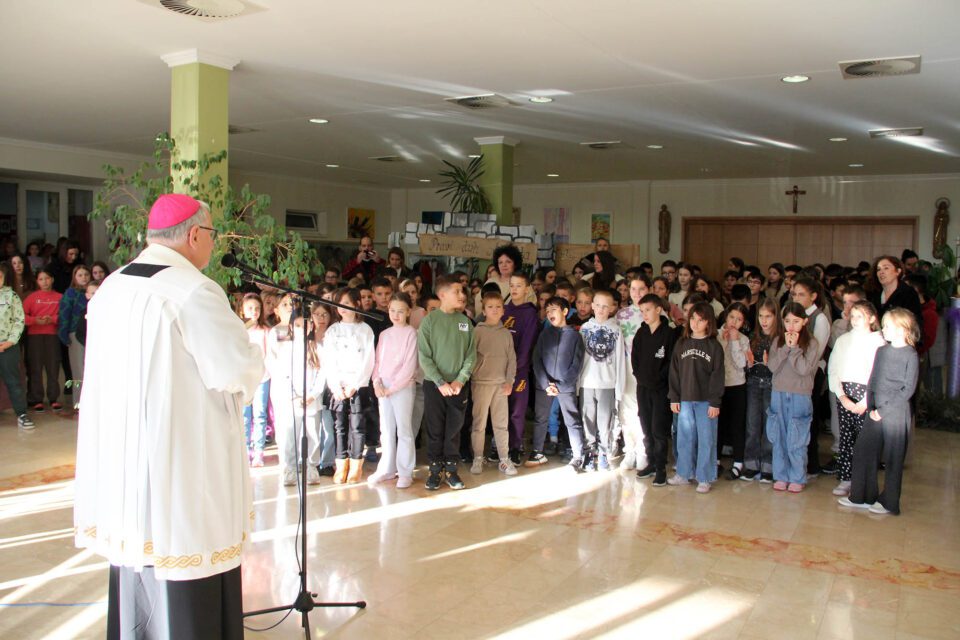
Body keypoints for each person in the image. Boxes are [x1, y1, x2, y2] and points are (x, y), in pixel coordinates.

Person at [73, 193, 264, 639]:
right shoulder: (194, 291)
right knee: (185, 557)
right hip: (178, 462)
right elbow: (236, 369)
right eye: (212, 234)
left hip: (122, 461)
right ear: (194, 235)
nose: (213, 243)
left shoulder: (112, 287)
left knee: (139, 556)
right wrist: (255, 359)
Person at [840, 308, 919, 515]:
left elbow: (907, 390)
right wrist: (871, 406)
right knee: (863, 450)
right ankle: (861, 496)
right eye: (883, 326)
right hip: (875, 411)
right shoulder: (882, 351)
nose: (883, 330)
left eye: (887, 326)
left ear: (902, 329)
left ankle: (889, 502)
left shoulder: (911, 355)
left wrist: (883, 410)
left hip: (895, 413)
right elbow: (873, 380)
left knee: (893, 458)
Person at [418, 275, 476, 491]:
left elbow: (471, 355)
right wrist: (440, 382)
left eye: (462, 291)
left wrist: (460, 380)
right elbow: (424, 356)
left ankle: (451, 469)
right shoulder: (429, 321)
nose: (462, 295)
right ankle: (435, 470)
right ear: (442, 295)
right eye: (456, 291)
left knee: (454, 429)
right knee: (435, 429)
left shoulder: (465, 322)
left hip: (458, 386)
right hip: (435, 386)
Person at [827, 300, 885, 497]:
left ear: (872, 318)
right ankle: (846, 478)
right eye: (853, 316)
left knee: (865, 440)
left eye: (860, 316)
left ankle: (863, 482)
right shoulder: (844, 340)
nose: (855, 320)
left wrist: (866, 401)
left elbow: (878, 374)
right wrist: (841, 395)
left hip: (866, 395)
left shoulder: (878, 342)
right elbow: (834, 369)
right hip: (845, 392)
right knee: (846, 437)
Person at [667, 302, 725, 493]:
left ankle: (704, 477)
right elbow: (674, 373)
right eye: (692, 318)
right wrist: (674, 397)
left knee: (706, 439)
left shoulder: (714, 346)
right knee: (684, 438)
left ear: (709, 322)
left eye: (701, 320)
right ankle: (684, 473)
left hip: (706, 401)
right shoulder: (681, 343)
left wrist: (715, 402)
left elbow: (718, 376)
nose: (695, 323)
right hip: (684, 399)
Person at [322, 288, 376, 484]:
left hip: (358, 385)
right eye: (339, 304)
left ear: (356, 304)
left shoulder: (365, 329)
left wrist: (355, 384)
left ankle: (355, 465)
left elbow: (368, 360)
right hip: (338, 386)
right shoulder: (332, 330)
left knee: (357, 426)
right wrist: (335, 386)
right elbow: (328, 360)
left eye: (346, 303)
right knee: (339, 426)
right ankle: (341, 464)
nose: (342, 308)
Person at [766, 302, 820, 493]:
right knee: (778, 435)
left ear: (804, 321)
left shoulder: (812, 343)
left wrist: (795, 348)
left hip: (800, 394)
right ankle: (781, 475)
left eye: (796, 321)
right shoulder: (777, 341)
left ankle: (797, 476)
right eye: (787, 321)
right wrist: (785, 349)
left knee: (797, 436)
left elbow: (804, 369)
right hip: (778, 392)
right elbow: (772, 367)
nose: (791, 326)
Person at [532, 296, 587, 470]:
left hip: (565, 386)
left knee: (572, 420)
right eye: (547, 310)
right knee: (541, 418)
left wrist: (561, 386)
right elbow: (536, 360)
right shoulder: (544, 334)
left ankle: (577, 456)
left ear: (565, 311)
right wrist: (545, 383)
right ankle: (537, 451)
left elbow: (576, 364)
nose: (549, 313)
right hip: (544, 386)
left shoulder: (575, 336)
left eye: (554, 309)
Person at [469, 290, 517, 476]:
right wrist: (475, 372)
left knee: (501, 424)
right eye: (490, 307)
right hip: (481, 383)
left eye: (498, 307)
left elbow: (512, 360)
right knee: (479, 423)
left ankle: (504, 459)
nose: (495, 310)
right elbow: (470, 357)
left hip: (501, 386)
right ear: (484, 310)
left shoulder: (506, 333)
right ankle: (478, 457)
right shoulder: (477, 331)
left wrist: (509, 381)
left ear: (503, 310)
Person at [632, 293, 677, 486]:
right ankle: (650, 462)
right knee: (646, 427)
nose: (645, 314)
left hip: (660, 389)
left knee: (659, 429)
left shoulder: (669, 334)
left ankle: (661, 468)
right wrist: (640, 377)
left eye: (648, 310)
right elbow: (635, 358)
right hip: (643, 387)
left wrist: (659, 379)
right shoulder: (641, 333)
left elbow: (671, 362)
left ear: (658, 310)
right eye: (642, 311)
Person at [578, 289, 626, 471]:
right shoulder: (585, 329)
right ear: (592, 306)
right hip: (587, 382)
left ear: (612, 308)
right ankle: (590, 453)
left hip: (607, 383)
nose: (600, 309)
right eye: (597, 305)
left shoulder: (616, 330)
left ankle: (604, 452)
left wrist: (619, 387)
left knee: (605, 421)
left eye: (605, 306)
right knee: (587, 419)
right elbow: (579, 358)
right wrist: (577, 384)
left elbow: (620, 360)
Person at [503, 273, 539, 464]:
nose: (514, 289)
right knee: (500, 410)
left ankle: (515, 447)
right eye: (512, 285)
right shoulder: (502, 309)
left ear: (527, 289)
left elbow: (527, 345)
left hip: (519, 371)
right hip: (499, 371)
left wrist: (515, 369)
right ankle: (499, 445)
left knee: (517, 410)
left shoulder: (530, 313)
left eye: (519, 285)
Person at [743, 298, 780, 482]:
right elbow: (747, 363)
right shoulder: (754, 337)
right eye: (761, 316)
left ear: (776, 317)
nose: (764, 320)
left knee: (769, 425)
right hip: (754, 382)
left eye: (768, 316)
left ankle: (768, 465)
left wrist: (770, 363)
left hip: (772, 384)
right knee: (752, 424)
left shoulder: (779, 339)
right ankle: (751, 463)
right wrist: (749, 364)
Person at [266, 293, 299, 485]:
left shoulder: (302, 328)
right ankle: (287, 466)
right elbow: (272, 359)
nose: (289, 307)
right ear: (276, 310)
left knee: (300, 426)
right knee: (285, 427)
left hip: (301, 383)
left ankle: (302, 464)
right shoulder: (276, 332)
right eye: (284, 304)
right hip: (282, 384)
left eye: (291, 303)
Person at [718, 302, 750, 480]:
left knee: (737, 425)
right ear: (726, 316)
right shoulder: (716, 334)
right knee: (719, 424)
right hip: (719, 386)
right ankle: (716, 460)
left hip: (737, 385)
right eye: (731, 317)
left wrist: (735, 340)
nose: (734, 322)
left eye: (739, 319)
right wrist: (724, 340)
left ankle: (738, 462)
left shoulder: (743, 339)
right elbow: (716, 359)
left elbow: (741, 363)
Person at [23, 268, 62, 411]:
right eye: (41, 279)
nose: (44, 282)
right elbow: (21, 316)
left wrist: (52, 319)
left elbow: (65, 316)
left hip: (53, 336)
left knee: (53, 367)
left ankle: (53, 398)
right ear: (37, 282)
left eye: (47, 278)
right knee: (35, 367)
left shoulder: (60, 297)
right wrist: (35, 320)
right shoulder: (32, 298)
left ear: (52, 279)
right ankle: (36, 399)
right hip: (34, 336)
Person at [0, 262, 32, 429]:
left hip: (8, 346)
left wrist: (9, 342)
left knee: (13, 382)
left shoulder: (11, 296)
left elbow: (19, 321)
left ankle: (21, 414)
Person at [241, 293, 271, 467]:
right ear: (242, 310)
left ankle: (259, 451)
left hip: (262, 378)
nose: (254, 311)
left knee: (259, 414)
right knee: (244, 416)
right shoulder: (240, 331)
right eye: (250, 308)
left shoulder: (265, 331)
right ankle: (245, 450)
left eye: (257, 308)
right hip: (245, 379)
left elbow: (267, 355)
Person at [57, 264, 92, 390]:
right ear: (74, 277)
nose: (84, 277)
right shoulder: (71, 293)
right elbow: (64, 315)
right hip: (76, 333)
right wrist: (64, 335)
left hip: (93, 333)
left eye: (86, 274)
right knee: (79, 370)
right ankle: (79, 401)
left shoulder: (95, 291)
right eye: (80, 275)